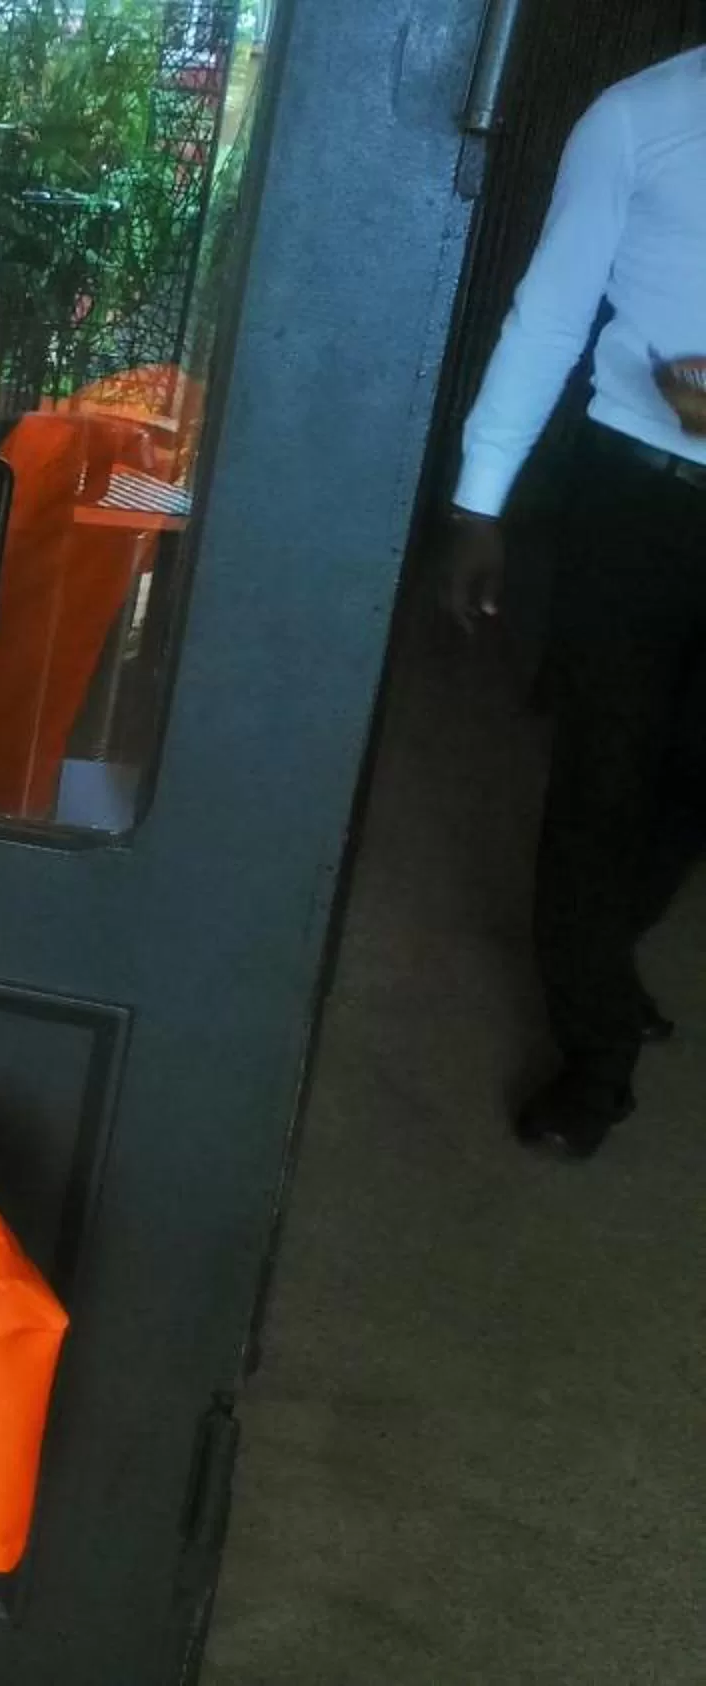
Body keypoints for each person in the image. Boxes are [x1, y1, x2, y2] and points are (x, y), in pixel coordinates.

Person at [443, 45, 706, 1159]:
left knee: (691, 778)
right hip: (635, 500)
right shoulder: (638, 118)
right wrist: (479, 502)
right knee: (607, 768)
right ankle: (597, 1046)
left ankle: (604, 954)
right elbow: (548, 315)